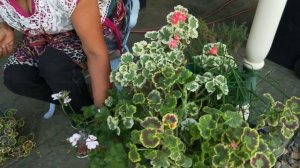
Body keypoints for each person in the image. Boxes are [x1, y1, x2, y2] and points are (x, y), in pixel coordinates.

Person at [0, 0, 125, 114]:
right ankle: (81, 106)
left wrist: (103, 116)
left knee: (55, 66)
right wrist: (4, 25)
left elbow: (96, 53)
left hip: (95, 23)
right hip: (46, 29)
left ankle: (88, 116)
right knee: (16, 77)